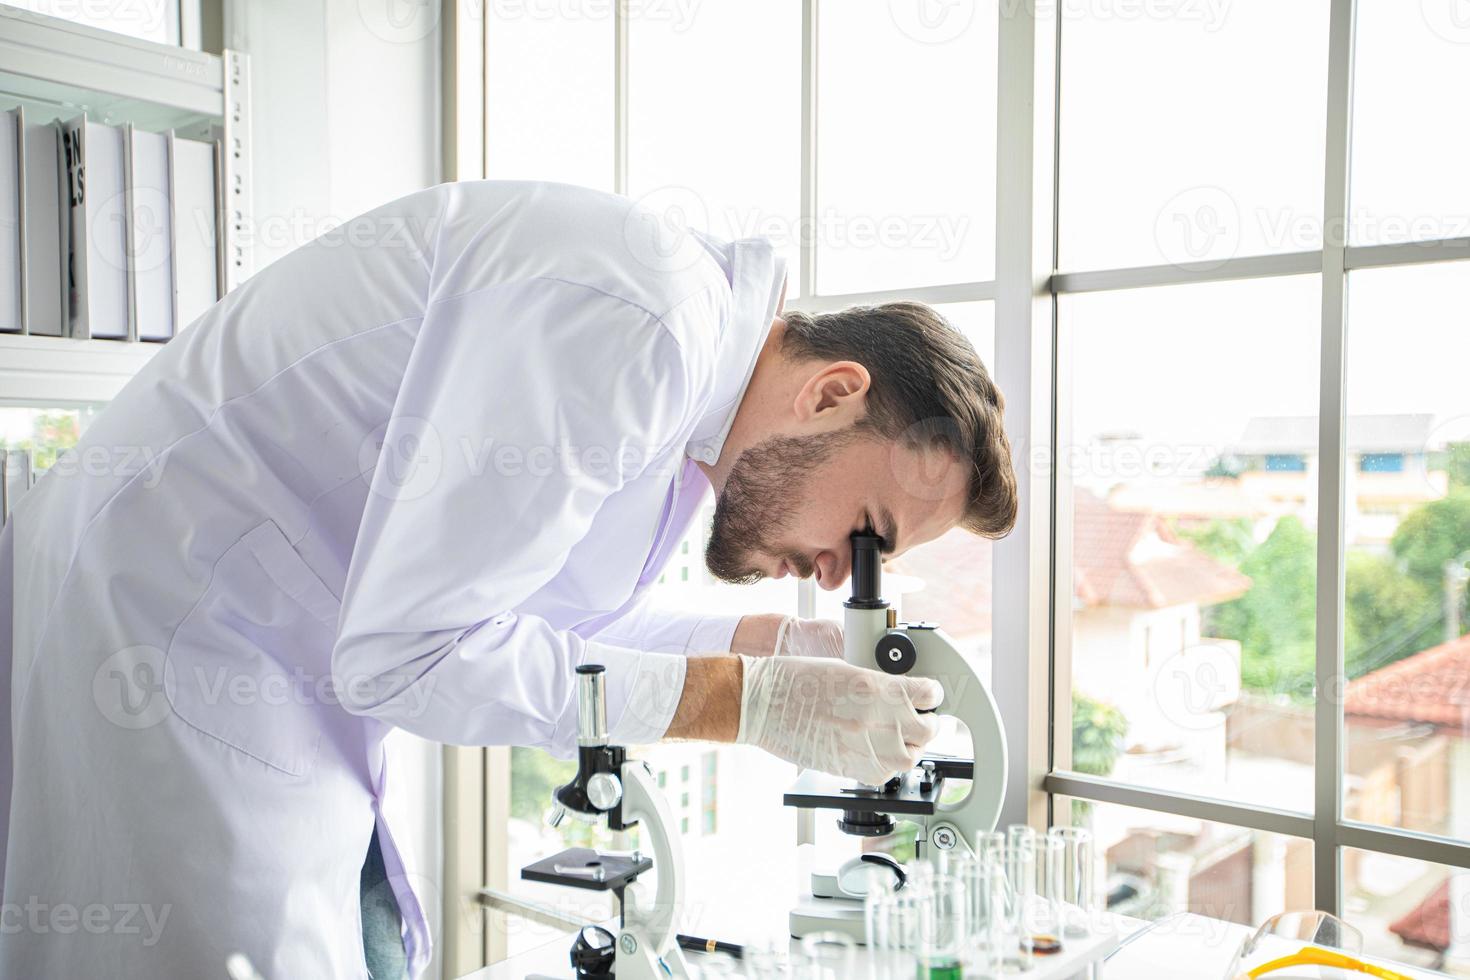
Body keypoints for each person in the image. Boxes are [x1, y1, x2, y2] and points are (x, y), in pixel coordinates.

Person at [0, 180, 1017, 978]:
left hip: (268, 647)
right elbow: (416, 653)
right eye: (868, 533)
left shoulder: (686, 396)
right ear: (835, 392)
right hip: (169, 620)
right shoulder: (643, 321)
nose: (842, 577)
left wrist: (758, 647)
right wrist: (742, 700)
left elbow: (544, 619)